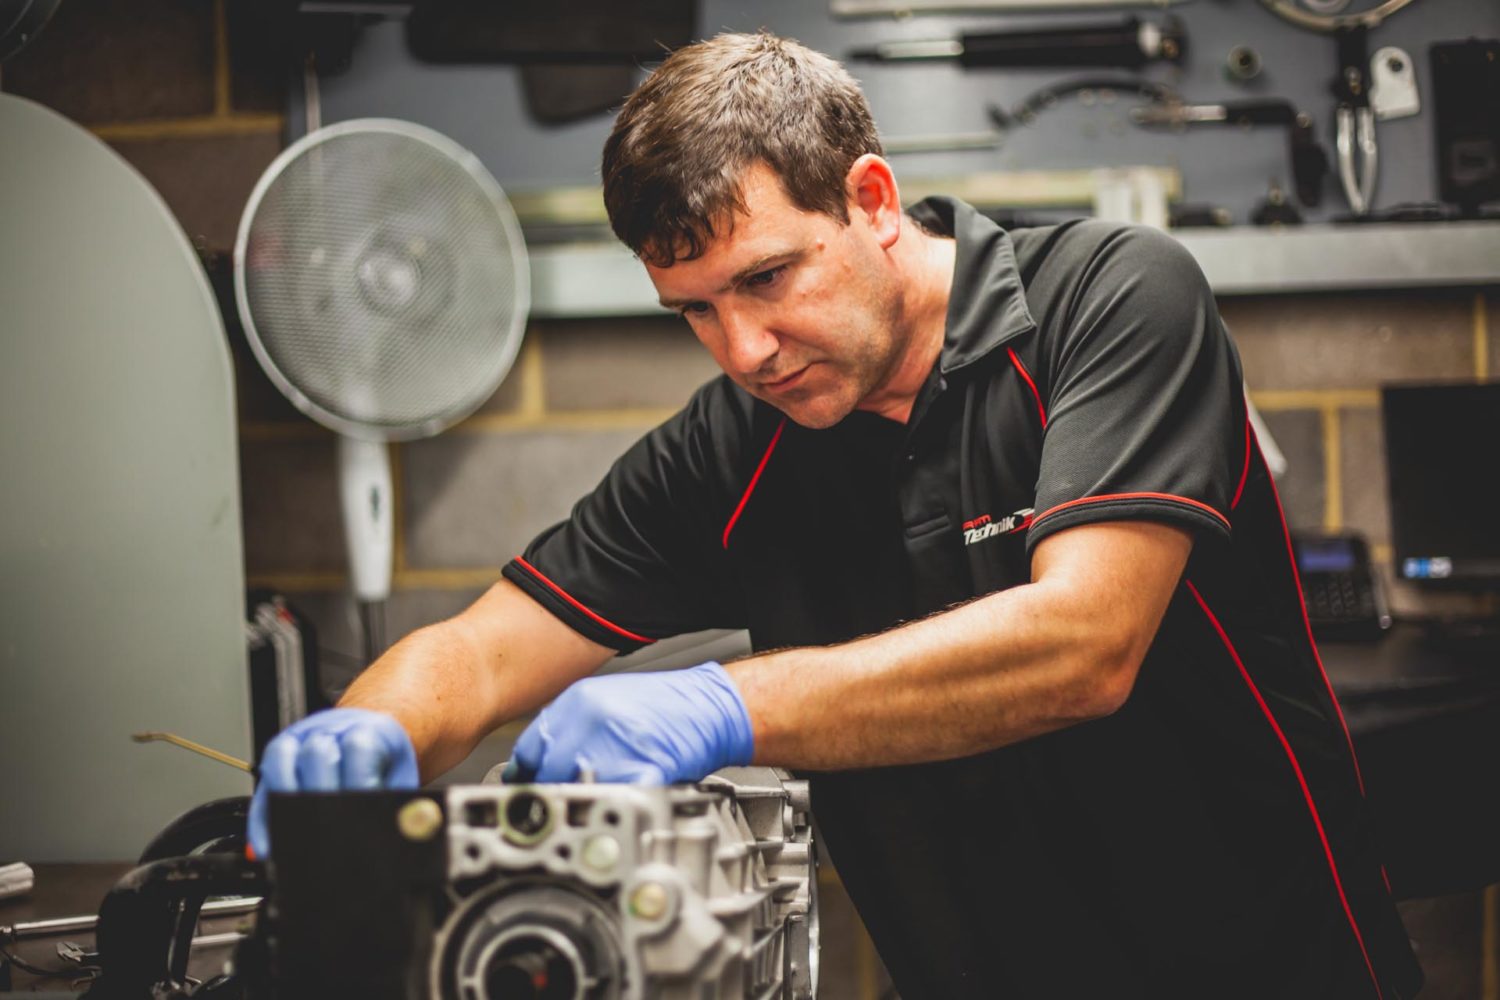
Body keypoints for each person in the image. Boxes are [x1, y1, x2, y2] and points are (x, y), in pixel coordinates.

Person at [249, 32, 1422, 999]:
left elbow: (1085, 644)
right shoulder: (735, 446)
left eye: (767, 279)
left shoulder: (1109, 302)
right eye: (693, 312)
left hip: (1270, 969)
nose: (744, 350)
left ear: (871, 199)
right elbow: (483, 650)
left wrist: (723, 703)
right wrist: (375, 733)